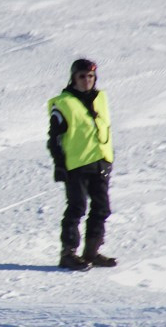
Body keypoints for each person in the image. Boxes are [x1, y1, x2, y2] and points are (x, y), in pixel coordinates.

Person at [47, 58, 117, 271]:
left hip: (100, 162)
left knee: (101, 208)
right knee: (77, 207)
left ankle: (91, 252)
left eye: (90, 76)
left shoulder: (100, 98)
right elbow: (55, 139)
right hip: (75, 165)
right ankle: (67, 254)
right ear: (73, 78)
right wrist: (59, 164)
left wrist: (107, 158)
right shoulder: (64, 103)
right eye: (82, 76)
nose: (87, 80)